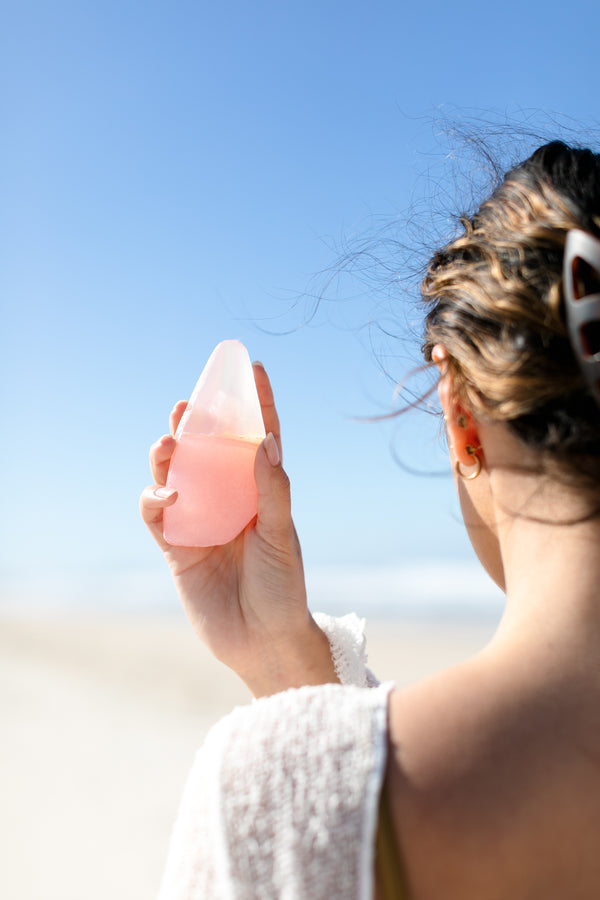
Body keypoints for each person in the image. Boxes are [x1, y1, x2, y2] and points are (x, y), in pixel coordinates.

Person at [140, 140, 600, 899]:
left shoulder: (274, 793)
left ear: (463, 419)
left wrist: (294, 706)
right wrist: (287, 658)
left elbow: (329, 832)